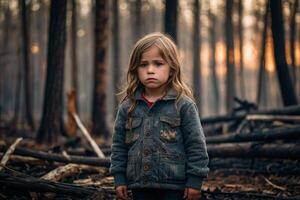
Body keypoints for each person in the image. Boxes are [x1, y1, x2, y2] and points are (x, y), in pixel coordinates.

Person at [110, 32, 209, 200]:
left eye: (158, 64)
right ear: (135, 69)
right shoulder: (127, 106)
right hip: (139, 186)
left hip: (174, 187)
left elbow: (196, 145)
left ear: (172, 69)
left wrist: (195, 182)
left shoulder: (183, 105)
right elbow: (119, 146)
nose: (150, 70)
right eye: (143, 65)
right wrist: (119, 179)